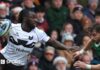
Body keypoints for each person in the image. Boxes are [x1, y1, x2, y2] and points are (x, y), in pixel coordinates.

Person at [0, 10, 74, 70]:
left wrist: (67, 48)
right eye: (32, 17)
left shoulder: (38, 32)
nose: (36, 19)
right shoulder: (12, 27)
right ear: (25, 18)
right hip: (4, 59)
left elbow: (53, 42)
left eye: (35, 17)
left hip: (19, 65)